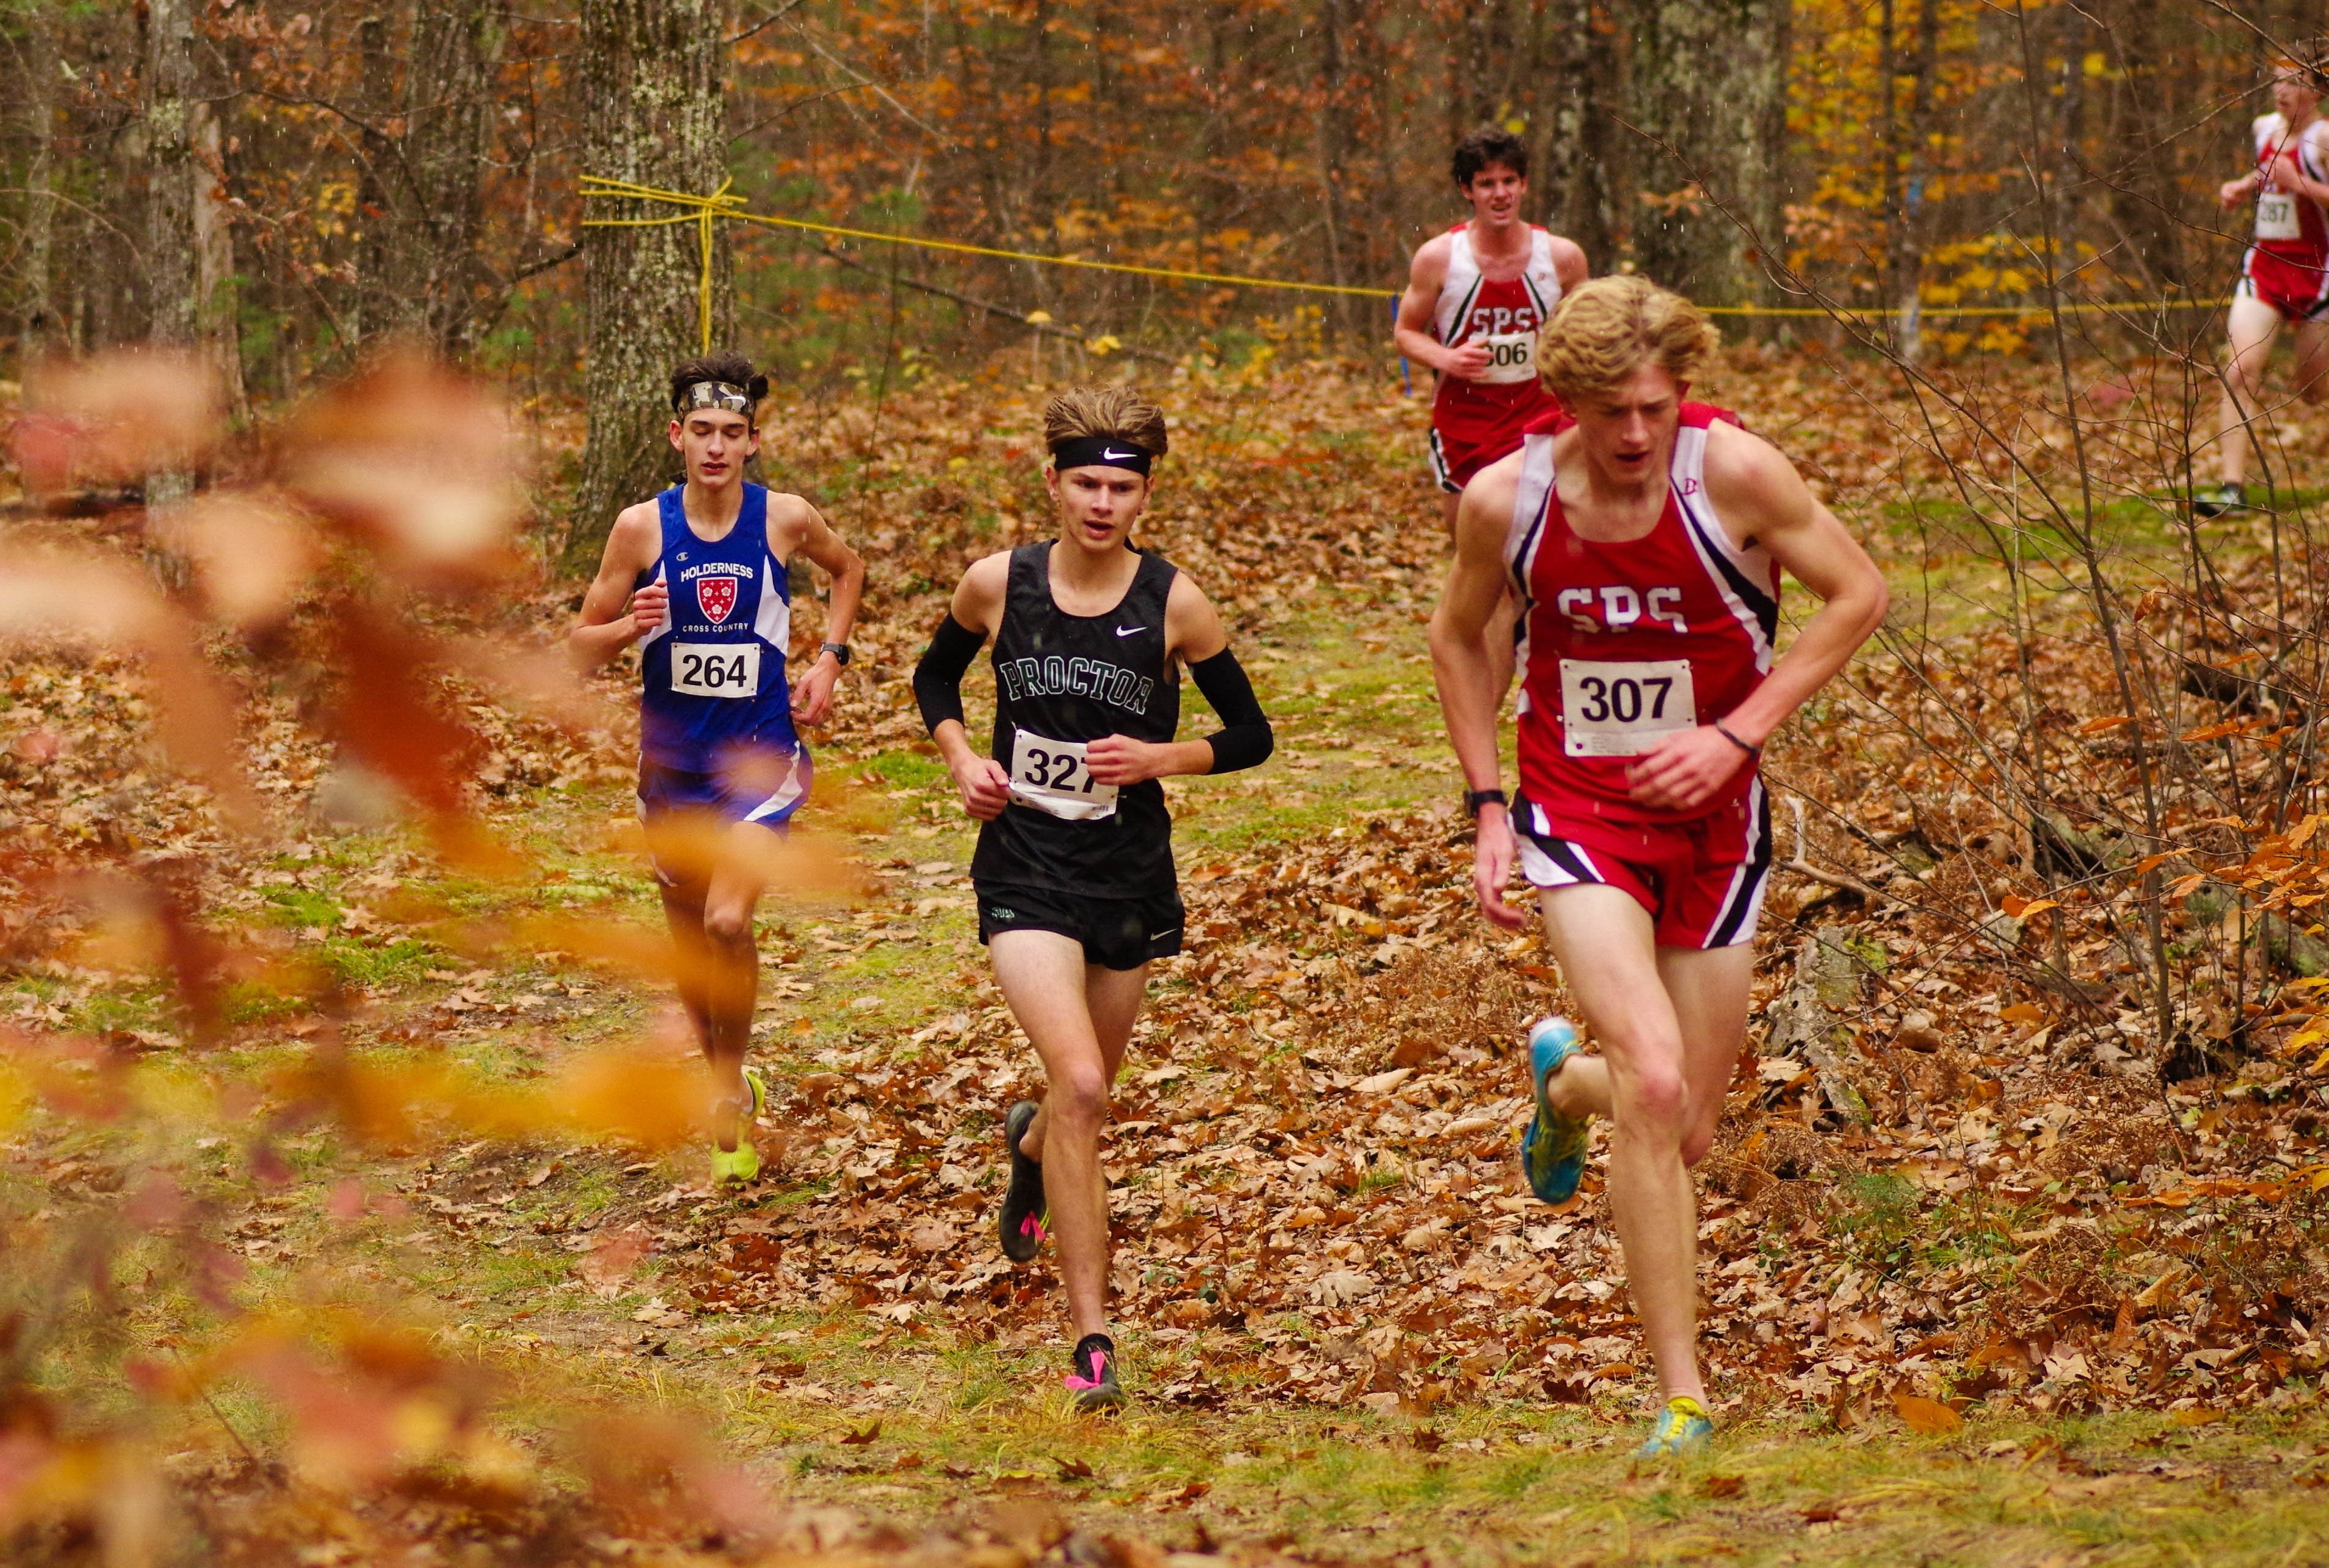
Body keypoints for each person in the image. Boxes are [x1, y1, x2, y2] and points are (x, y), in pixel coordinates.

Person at [1429, 277, 1887, 1455]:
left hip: (1716, 821)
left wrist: (1737, 733)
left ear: (1680, 394)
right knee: (1651, 1069)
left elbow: (1856, 593)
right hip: (1575, 809)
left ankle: (1559, 1092)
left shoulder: (1731, 473)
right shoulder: (1506, 498)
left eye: (1653, 408)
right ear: (1564, 401)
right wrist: (1488, 805)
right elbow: (1455, 630)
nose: (1633, 436)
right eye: (1607, 413)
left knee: (1674, 1123)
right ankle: (1680, 1397)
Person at [911, 387, 1273, 1411]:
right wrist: (959, 757)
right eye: (1086, 482)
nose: (1102, 502)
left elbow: (1252, 734)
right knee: (1082, 1086)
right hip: (1022, 865)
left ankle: (1029, 1152)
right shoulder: (999, 583)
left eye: (1122, 486)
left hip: (1126, 875)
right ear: (1053, 483)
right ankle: (1091, 1339)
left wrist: (1165, 754)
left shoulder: (1173, 603)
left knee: (1078, 1102)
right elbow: (933, 679)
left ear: (1144, 495)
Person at [570, 351, 865, 1185]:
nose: (715, 446)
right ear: (675, 435)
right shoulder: (639, 529)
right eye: (700, 430)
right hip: (670, 771)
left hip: (758, 761)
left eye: (731, 433)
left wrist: (828, 661)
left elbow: (847, 571)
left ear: (752, 442)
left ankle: (728, 1094)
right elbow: (573, 650)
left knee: (729, 924)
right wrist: (628, 627)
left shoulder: (784, 519)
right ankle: (723, 1079)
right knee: (693, 947)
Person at [1395, 125, 1588, 692]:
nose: (1499, 194)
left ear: (1524, 185)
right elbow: (1406, 332)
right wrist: (1447, 358)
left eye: (1508, 181)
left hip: (1541, 424)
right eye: (1486, 184)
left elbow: (1592, 333)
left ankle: (1524, 677)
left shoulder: (1562, 259)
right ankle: (1485, 678)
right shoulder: (1439, 259)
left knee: (1534, 564)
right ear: (1467, 191)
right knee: (1478, 569)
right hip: (1463, 430)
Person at [2198, 57, 2329, 518]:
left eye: (2294, 83)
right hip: (2266, 270)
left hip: (2319, 277)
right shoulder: (2263, 129)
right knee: (2239, 371)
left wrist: (2305, 187)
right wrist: (2240, 185)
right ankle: (2232, 487)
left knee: (2313, 391)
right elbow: (2269, 176)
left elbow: (2297, 182)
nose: (2281, 92)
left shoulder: (2323, 139)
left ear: (2316, 91)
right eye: (2276, 83)